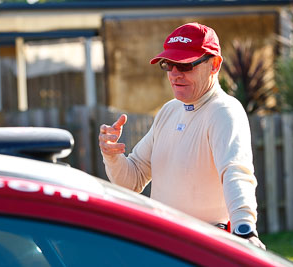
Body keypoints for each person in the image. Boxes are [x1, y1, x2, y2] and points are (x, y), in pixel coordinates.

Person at [99, 22, 265, 249]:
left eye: (185, 65)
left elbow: (236, 173)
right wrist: (112, 156)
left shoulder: (224, 111)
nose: (175, 74)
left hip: (203, 247)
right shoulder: (170, 110)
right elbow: (132, 180)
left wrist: (245, 230)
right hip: (163, 245)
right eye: (169, 65)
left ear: (214, 65)